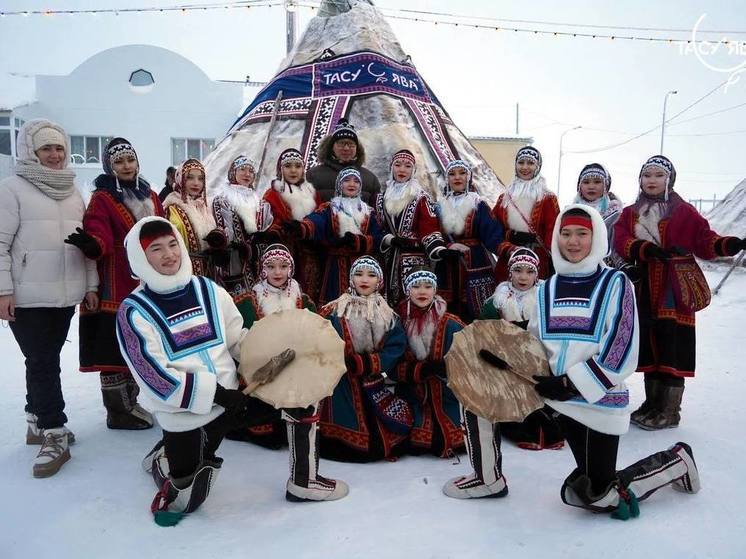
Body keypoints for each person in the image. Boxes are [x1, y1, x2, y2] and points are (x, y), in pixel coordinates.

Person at [116, 218, 347, 525]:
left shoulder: (209, 290)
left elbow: (240, 340)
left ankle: (304, 481)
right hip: (186, 417)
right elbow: (155, 378)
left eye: (173, 244)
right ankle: (164, 461)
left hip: (235, 400)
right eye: (156, 249)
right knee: (187, 501)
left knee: (302, 396)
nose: (168, 254)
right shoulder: (134, 311)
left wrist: (278, 358)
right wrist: (215, 394)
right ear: (140, 259)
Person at [518, 205, 698, 517]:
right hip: (562, 403)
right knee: (591, 486)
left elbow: (621, 347)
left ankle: (676, 461)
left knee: (599, 494)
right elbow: (535, 342)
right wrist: (532, 373)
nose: (572, 242)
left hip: (600, 399)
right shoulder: (546, 289)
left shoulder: (615, 283)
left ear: (597, 237)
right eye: (566, 234)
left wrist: (571, 382)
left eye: (582, 234)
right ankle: (607, 484)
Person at [614, 155, 746, 430]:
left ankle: (670, 409)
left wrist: (729, 244)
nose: (651, 180)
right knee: (650, 342)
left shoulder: (684, 212)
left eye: (658, 175)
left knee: (672, 343)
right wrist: (643, 249)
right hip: (644, 283)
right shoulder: (630, 212)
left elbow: (705, 239)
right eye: (647, 175)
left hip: (674, 285)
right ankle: (652, 403)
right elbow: (620, 238)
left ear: (669, 180)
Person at [0, 119, 98, 478]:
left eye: (59, 148)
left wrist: (90, 285)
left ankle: (35, 420)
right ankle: (54, 430)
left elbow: (84, 244)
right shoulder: (11, 189)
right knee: (42, 361)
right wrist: (3, 290)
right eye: (47, 149)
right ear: (32, 152)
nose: (55, 155)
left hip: (64, 293)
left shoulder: (73, 192)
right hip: (27, 295)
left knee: (44, 359)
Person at [68, 137, 163, 430]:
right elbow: (100, 233)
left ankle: (131, 401)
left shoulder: (152, 195)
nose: (125, 166)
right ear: (110, 166)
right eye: (119, 161)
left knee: (139, 343)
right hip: (115, 281)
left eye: (130, 160)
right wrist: (92, 244)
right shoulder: (103, 198)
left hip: (147, 282)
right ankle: (117, 410)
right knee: (113, 346)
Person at [225, 243, 317, 449]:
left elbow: (314, 334)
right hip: (259, 370)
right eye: (271, 266)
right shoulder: (246, 302)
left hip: (293, 369)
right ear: (262, 269)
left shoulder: (303, 302)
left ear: (291, 269)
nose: (277, 272)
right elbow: (234, 338)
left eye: (283, 266)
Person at [319, 256, 409, 462]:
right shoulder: (335, 310)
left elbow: (396, 347)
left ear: (380, 281)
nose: (364, 279)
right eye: (358, 274)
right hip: (340, 382)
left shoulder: (388, 314)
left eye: (371, 275)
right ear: (351, 279)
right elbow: (319, 338)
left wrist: (369, 363)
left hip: (371, 380)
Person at [479, 248, 564, 451]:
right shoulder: (496, 302)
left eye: (529, 271)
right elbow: (484, 334)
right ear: (510, 273)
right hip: (506, 361)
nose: (523, 277)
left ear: (537, 274)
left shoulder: (547, 299)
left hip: (541, 358)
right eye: (518, 271)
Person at [391, 269, 464, 458]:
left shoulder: (451, 323)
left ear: (435, 290)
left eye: (427, 286)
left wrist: (447, 368)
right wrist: (418, 371)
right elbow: (391, 366)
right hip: (412, 393)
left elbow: (468, 359)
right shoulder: (397, 322)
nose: (422, 291)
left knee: (453, 435)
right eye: (415, 286)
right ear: (408, 290)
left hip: (446, 393)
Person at [286, 167, 384, 306]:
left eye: (356, 181)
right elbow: (316, 221)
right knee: (334, 303)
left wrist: (357, 241)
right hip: (335, 266)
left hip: (362, 267)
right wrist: (301, 227)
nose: (351, 184)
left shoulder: (369, 212)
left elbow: (377, 237)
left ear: (360, 186)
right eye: (347, 180)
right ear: (339, 184)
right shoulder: (330, 208)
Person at [376, 149, 449, 305]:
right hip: (388, 257)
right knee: (388, 299)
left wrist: (439, 249)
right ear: (391, 168)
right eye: (398, 165)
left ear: (413, 171)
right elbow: (377, 227)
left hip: (414, 259)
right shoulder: (381, 198)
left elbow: (429, 226)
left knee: (412, 299)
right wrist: (389, 239)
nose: (402, 169)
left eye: (407, 166)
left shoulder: (420, 197)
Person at [435, 159, 503, 322]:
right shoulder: (438, 206)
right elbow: (434, 233)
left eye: (462, 173)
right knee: (448, 311)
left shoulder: (478, 205)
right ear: (447, 179)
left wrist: (508, 250)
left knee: (474, 309)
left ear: (469, 177)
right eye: (452, 174)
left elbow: (492, 235)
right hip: (447, 261)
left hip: (475, 263)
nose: (457, 177)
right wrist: (449, 246)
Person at [492, 146, 559, 283]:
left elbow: (553, 230)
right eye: (521, 162)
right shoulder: (504, 198)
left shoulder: (547, 198)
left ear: (538, 166)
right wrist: (510, 237)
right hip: (509, 258)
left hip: (537, 260)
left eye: (530, 163)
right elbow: (494, 229)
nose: (525, 167)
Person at [212, 155, 274, 299]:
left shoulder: (260, 202)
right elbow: (224, 230)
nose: (247, 174)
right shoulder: (223, 200)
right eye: (242, 169)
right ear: (233, 172)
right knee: (239, 301)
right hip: (234, 260)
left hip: (257, 259)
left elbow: (265, 228)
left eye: (251, 171)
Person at [264, 148, 323, 301]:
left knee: (308, 296)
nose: (293, 170)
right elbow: (268, 222)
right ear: (280, 169)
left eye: (297, 166)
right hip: (284, 253)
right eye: (288, 166)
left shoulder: (313, 193)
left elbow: (321, 219)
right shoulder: (272, 194)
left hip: (310, 254)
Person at [163, 159, 226, 277]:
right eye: (190, 178)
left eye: (200, 179)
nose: (196, 183)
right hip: (185, 272)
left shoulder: (204, 207)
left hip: (209, 271)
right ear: (180, 179)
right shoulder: (171, 208)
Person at [307, 118, 382, 204]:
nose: (346, 148)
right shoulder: (313, 176)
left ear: (357, 149)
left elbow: (377, 213)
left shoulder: (370, 179)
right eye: (341, 144)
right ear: (331, 147)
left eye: (351, 144)